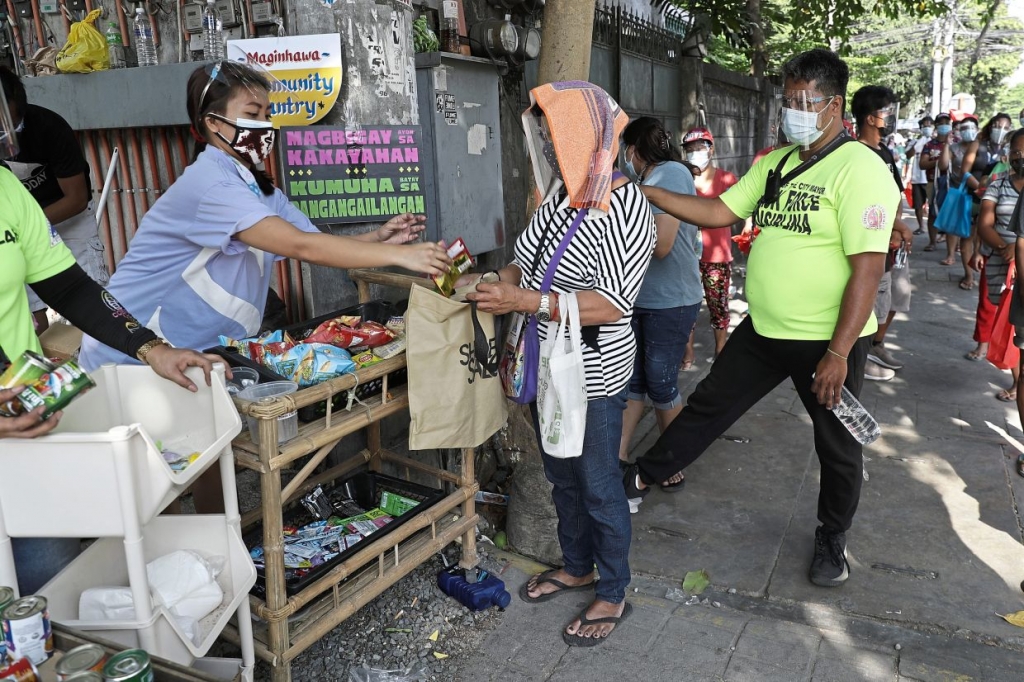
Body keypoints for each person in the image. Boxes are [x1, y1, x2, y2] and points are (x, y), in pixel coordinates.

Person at [78, 61, 451, 512]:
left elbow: (310, 241)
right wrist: (401, 256)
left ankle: (215, 543)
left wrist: (378, 239)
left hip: (195, 352)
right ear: (213, 123)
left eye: (267, 114)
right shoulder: (209, 184)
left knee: (205, 451)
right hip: (133, 352)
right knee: (153, 481)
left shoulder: (259, 189)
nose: (265, 125)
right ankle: (164, 560)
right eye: (253, 112)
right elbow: (301, 246)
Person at [621, 48, 899, 588]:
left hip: (826, 342)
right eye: (788, 98)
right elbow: (720, 212)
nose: (792, 108)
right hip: (765, 329)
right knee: (707, 407)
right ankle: (637, 479)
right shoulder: (776, 162)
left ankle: (832, 539)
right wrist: (644, 191)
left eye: (804, 100)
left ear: (834, 105)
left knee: (837, 445)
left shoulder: (861, 169)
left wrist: (840, 354)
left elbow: (868, 270)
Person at [0, 80, 222, 594]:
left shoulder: (7, 188)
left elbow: (72, 289)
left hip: (27, 423)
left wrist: (152, 348)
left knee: (50, 593)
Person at [467, 82, 655, 646]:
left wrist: (522, 302)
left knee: (597, 480)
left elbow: (613, 302)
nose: (549, 145)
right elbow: (524, 265)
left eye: (558, 135)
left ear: (590, 138)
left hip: (596, 370)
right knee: (561, 475)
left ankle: (613, 588)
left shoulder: (627, 205)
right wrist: (484, 281)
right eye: (545, 134)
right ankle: (577, 565)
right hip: (550, 364)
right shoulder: (559, 197)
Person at [616, 117, 701, 492]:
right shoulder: (643, 181)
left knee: (661, 380)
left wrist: (609, 245)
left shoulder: (670, 175)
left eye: (624, 151)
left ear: (633, 151)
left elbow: (662, 246)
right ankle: (615, 456)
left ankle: (670, 461)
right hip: (641, 298)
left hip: (672, 300)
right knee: (632, 379)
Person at [0, 66, 107, 334]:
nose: (7, 136)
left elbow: (76, 199)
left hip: (68, 219)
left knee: (93, 303)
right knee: (29, 315)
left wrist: (27, 225)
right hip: (15, 228)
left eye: (12, 125)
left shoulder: (49, 127)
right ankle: (44, 363)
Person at [851, 86, 914, 380]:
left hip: (893, 242)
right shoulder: (856, 155)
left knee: (892, 299)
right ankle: (857, 359)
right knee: (868, 301)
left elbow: (895, 195)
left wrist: (899, 226)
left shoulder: (886, 152)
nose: (889, 116)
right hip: (873, 242)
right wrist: (894, 227)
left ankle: (874, 346)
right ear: (869, 118)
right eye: (885, 111)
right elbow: (863, 204)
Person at [966, 129, 1024, 402]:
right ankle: (1018, 378)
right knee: (1010, 324)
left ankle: (1018, 381)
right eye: (1016, 152)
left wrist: (1020, 247)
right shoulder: (998, 183)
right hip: (1003, 268)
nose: (1020, 158)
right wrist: (1006, 248)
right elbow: (984, 223)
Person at [682, 127, 739, 365]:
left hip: (716, 256)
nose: (696, 153)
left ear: (711, 149)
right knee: (686, 305)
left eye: (700, 149)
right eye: (691, 150)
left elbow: (742, 208)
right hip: (685, 255)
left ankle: (720, 349)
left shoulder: (726, 179)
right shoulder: (681, 179)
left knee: (718, 304)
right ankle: (688, 353)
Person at [920, 113, 953, 253]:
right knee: (933, 213)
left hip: (952, 183)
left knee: (952, 213)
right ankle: (932, 241)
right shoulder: (929, 145)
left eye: (947, 122)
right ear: (937, 126)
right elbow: (922, 164)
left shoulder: (955, 142)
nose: (944, 125)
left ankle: (952, 245)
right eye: (941, 123)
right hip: (933, 182)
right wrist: (939, 162)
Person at [906, 116, 934, 235]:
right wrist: (917, 145)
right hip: (918, 178)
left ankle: (935, 230)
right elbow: (908, 155)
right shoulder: (916, 142)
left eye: (929, 125)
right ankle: (921, 226)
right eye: (924, 126)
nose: (927, 128)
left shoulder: (936, 142)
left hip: (931, 178)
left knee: (933, 205)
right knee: (918, 204)